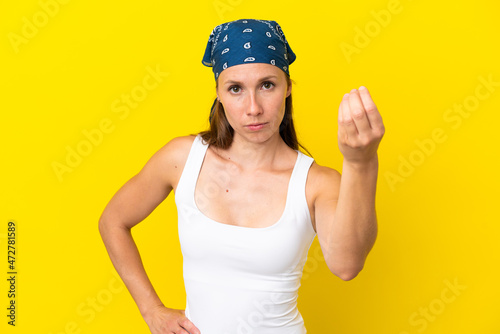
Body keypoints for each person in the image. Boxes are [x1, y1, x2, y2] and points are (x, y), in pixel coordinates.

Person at [98, 18, 384, 334]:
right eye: (236, 89)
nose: (253, 108)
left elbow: (346, 265)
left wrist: (361, 163)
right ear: (219, 93)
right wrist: (151, 310)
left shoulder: (316, 183)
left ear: (287, 87)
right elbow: (113, 220)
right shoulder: (182, 159)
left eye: (267, 85)